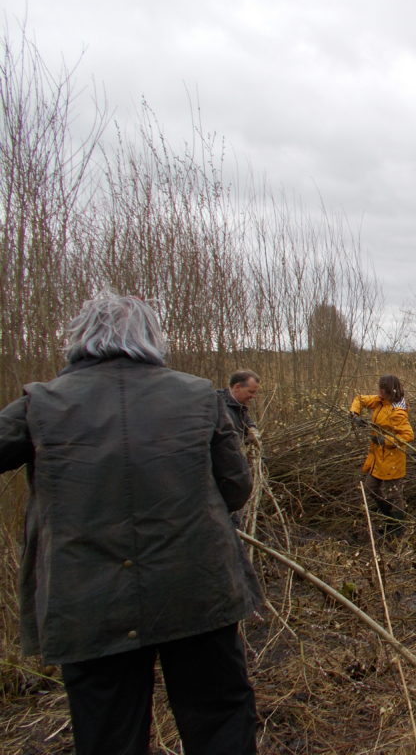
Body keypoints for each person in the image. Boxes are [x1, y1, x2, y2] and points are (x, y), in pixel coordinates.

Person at [0, 293, 261, 754]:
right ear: (151, 339)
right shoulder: (198, 394)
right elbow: (236, 488)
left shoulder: (41, 403)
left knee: (108, 732)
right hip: (196, 588)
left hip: (88, 602)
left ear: (79, 339)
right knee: (218, 716)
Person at [350, 375, 415, 540]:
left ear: (387, 391)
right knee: (370, 488)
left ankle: (398, 529)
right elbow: (360, 399)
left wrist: (385, 440)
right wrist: (354, 414)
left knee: (394, 495)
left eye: (380, 389)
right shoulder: (380, 401)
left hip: (392, 460)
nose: (378, 391)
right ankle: (389, 518)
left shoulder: (397, 412)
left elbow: (408, 435)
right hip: (378, 459)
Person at [218, 369, 261, 445]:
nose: (254, 396)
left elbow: (246, 420)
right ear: (237, 387)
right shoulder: (219, 407)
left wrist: (252, 429)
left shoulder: (238, 405)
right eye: (251, 392)